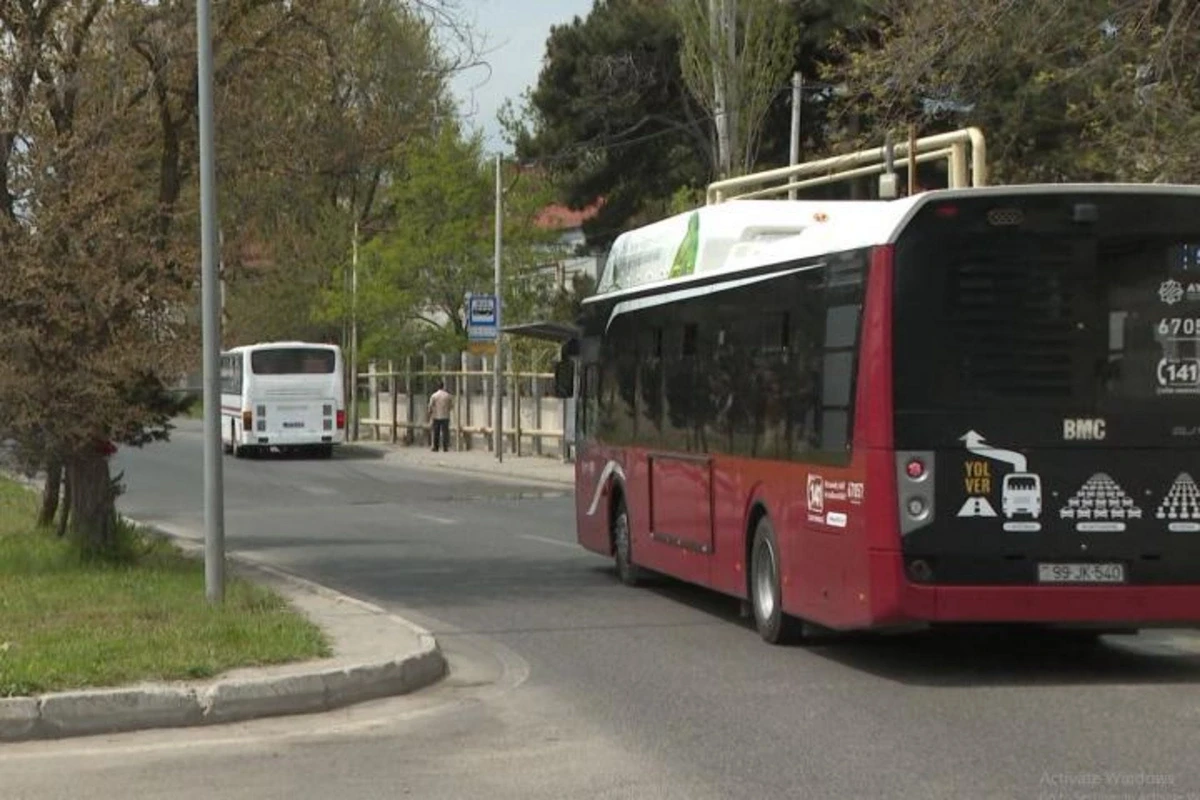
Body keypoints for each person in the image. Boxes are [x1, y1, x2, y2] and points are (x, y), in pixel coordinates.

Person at [427, 380, 453, 452]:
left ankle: (435, 447)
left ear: (437, 387)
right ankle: (445, 447)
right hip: (445, 416)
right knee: (445, 432)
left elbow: (430, 406)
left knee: (436, 432)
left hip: (436, 416)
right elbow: (451, 406)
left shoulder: (434, 395)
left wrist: (429, 414)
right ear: (443, 386)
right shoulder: (448, 395)